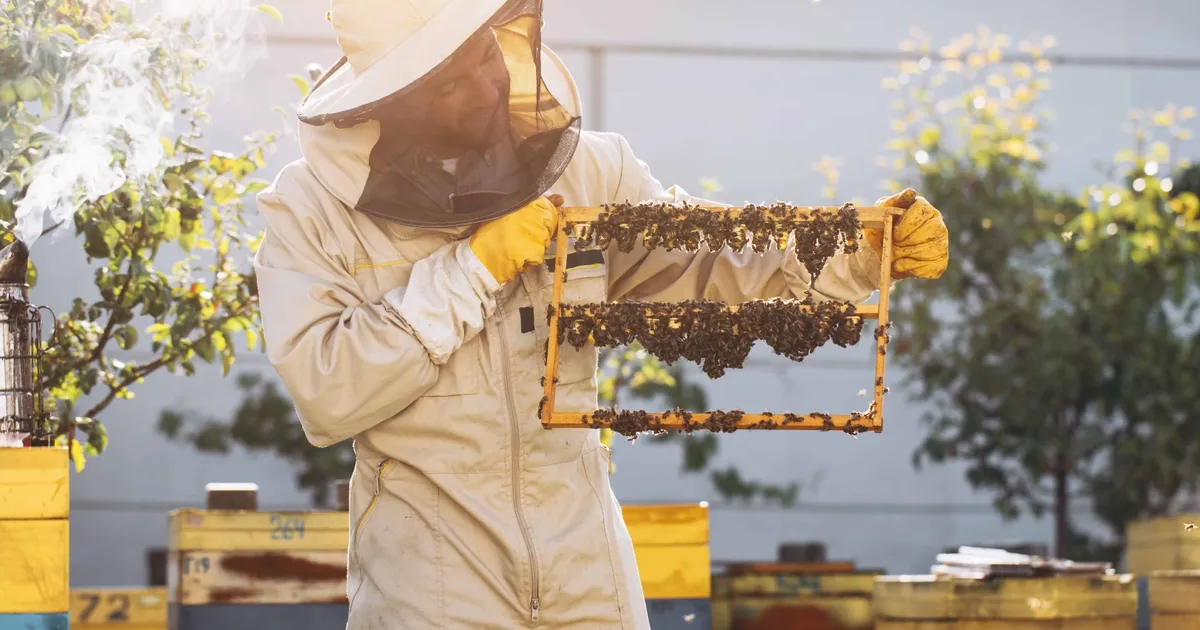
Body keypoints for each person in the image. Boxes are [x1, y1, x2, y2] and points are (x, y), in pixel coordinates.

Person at [252, 0, 950, 628]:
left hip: (586, 575)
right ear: (393, 98)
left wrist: (855, 255)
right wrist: (474, 269)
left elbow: (710, 263)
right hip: (428, 588)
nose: (487, 85)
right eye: (450, 81)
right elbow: (329, 392)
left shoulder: (588, 173)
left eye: (485, 55)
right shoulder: (309, 212)